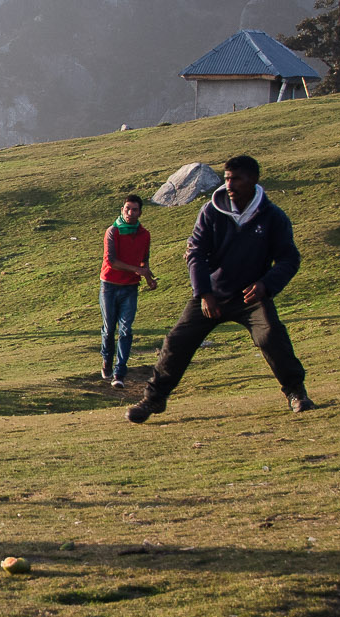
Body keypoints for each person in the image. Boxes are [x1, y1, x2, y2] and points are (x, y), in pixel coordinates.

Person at [128, 155, 314, 423]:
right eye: (227, 178)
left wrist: (266, 285)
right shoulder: (211, 211)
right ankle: (153, 400)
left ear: (253, 180)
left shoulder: (273, 217)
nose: (229, 184)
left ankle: (296, 393)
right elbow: (195, 253)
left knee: (271, 335)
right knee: (177, 341)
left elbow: (289, 259)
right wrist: (204, 292)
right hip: (211, 294)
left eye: (236, 178)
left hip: (252, 296)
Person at [99, 194, 158, 387]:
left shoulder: (145, 235)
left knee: (125, 329)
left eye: (134, 210)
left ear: (140, 212)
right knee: (109, 329)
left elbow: (144, 259)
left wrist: (148, 277)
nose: (130, 213)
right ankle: (107, 360)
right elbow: (111, 261)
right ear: (122, 210)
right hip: (109, 285)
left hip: (130, 287)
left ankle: (119, 374)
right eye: (127, 209)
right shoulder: (112, 232)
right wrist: (138, 270)